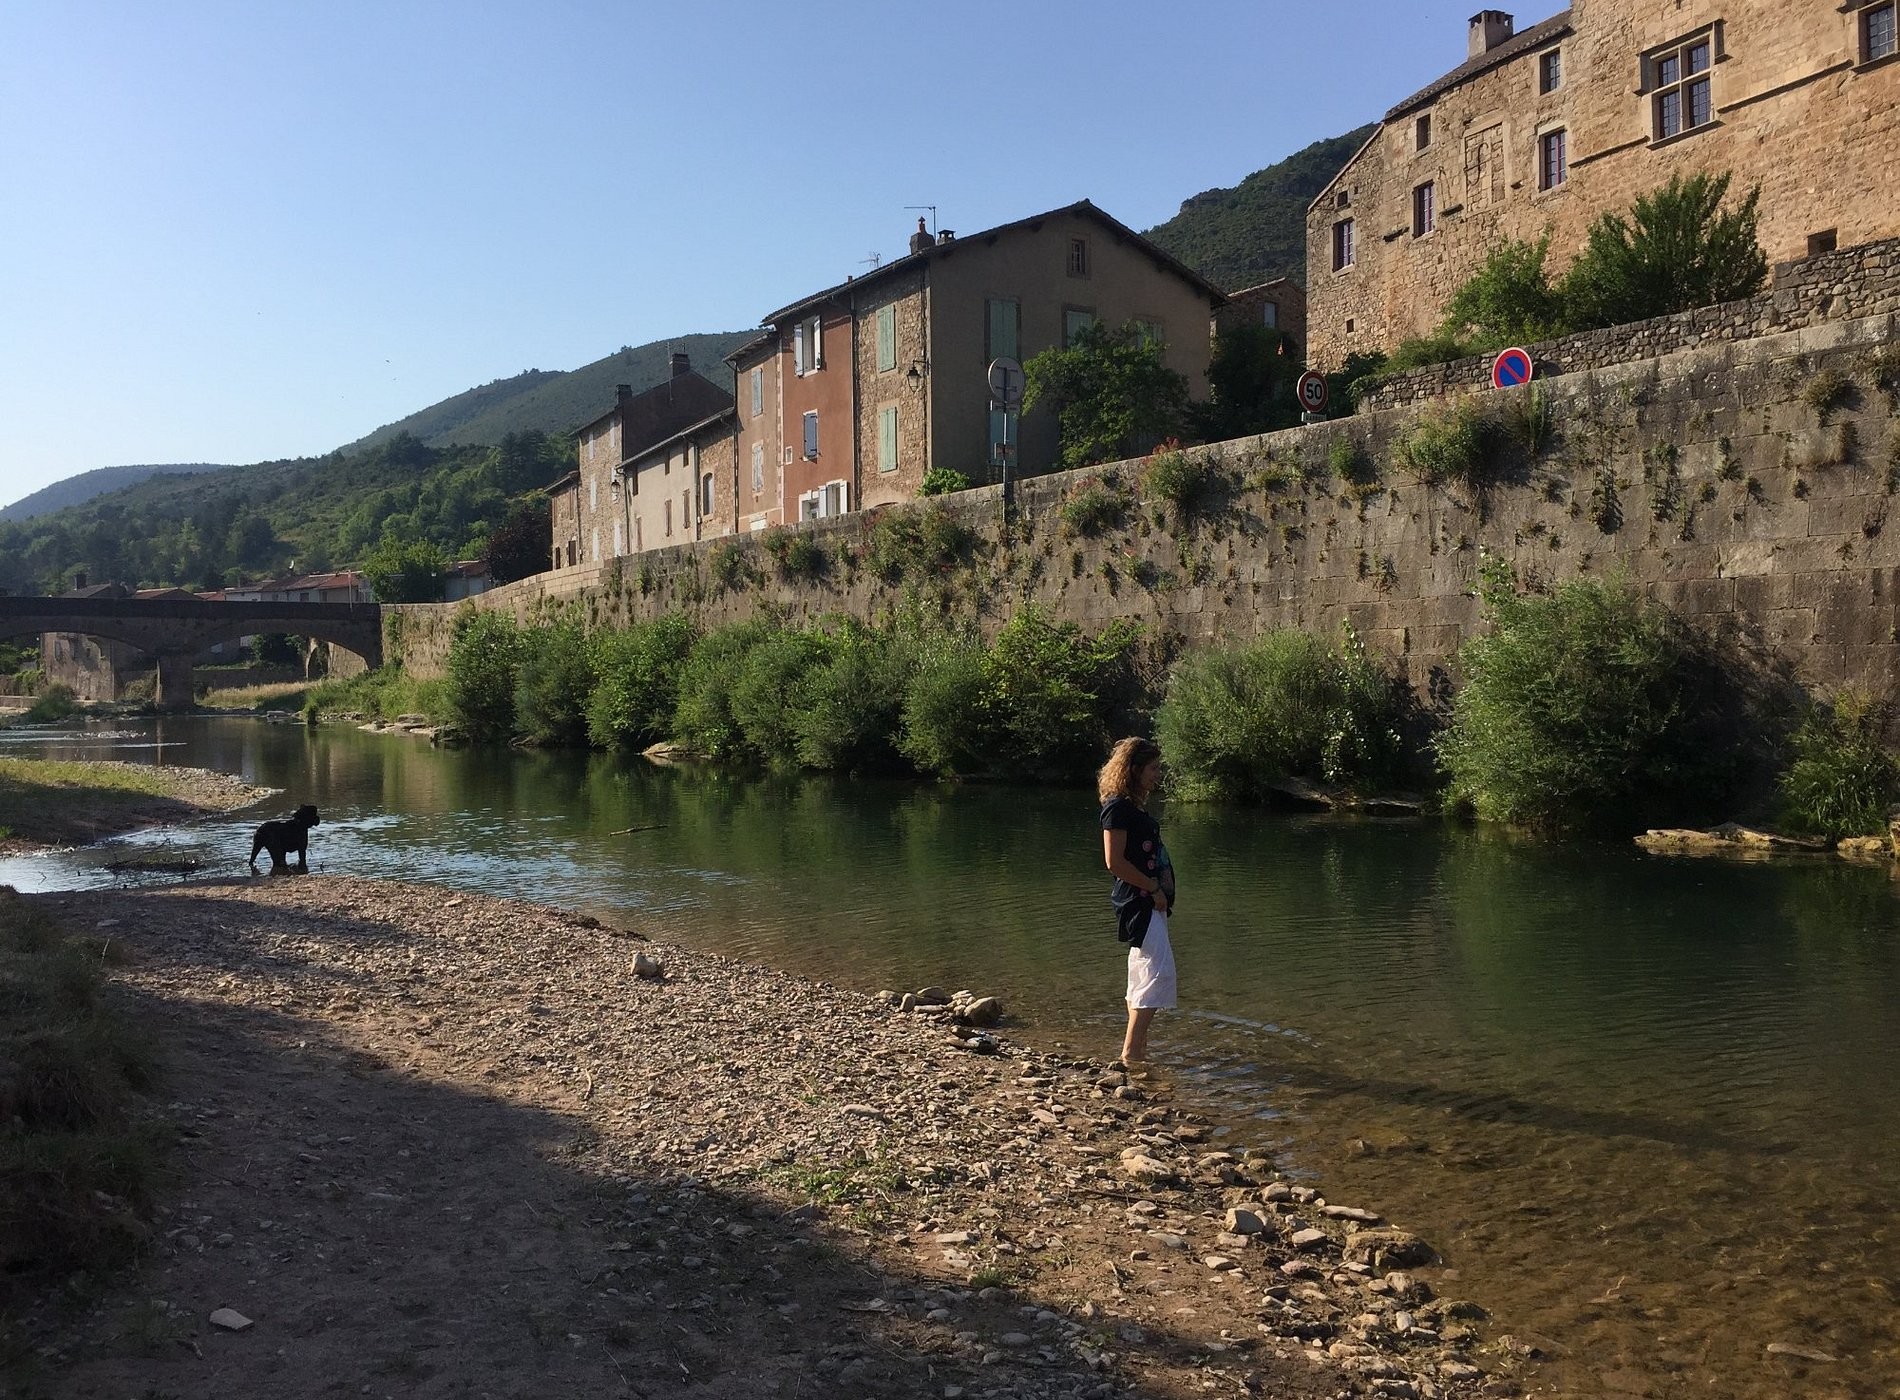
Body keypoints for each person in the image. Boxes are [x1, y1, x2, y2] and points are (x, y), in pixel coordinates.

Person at [1098, 737, 1176, 1068]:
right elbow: (1114, 862)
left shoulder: (1132, 806)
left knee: (1143, 974)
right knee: (1157, 974)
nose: (1158, 774)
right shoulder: (1117, 807)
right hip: (1139, 899)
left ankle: (1137, 1049)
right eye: (1153, 768)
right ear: (1133, 769)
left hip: (1147, 899)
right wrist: (1154, 888)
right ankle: (1131, 1052)